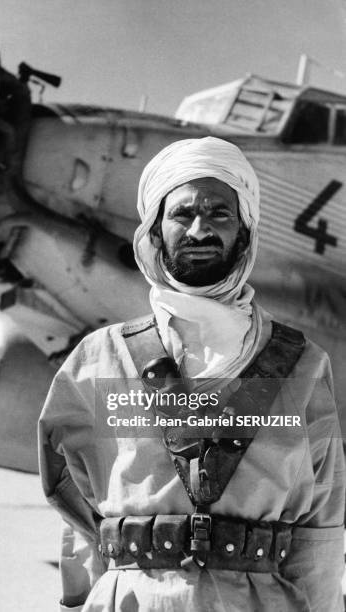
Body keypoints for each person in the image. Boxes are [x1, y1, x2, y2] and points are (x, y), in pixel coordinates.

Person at [38, 137, 345, 611]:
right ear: (155, 231)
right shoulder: (98, 360)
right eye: (182, 215)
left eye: (220, 214)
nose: (200, 230)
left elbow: (319, 533)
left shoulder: (304, 367)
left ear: (245, 230)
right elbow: (77, 509)